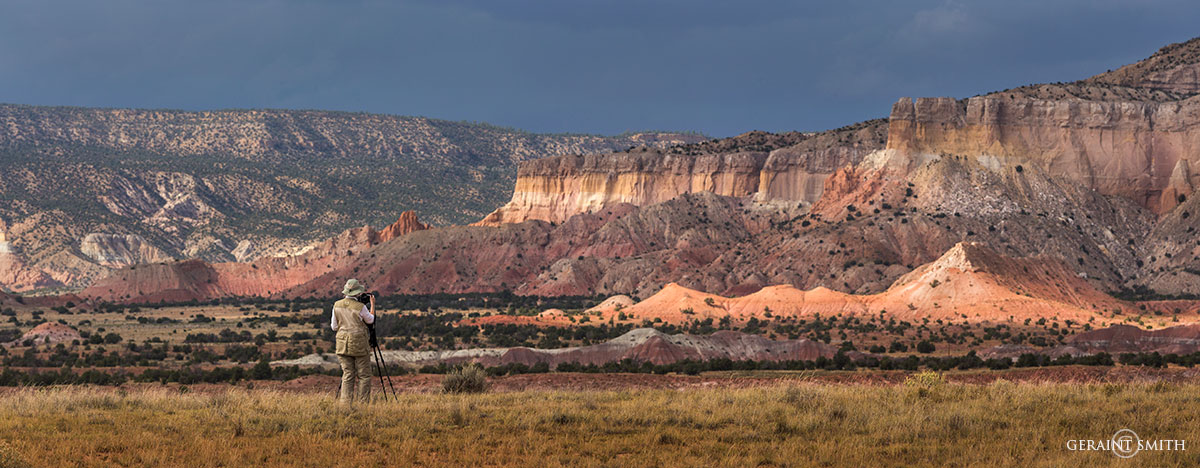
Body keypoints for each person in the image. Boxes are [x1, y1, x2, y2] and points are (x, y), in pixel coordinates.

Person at [330, 278, 375, 404]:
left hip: (342, 344)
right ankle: (362, 404)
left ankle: (345, 405)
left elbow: (334, 327)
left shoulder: (336, 305)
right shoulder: (360, 307)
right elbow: (370, 320)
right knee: (364, 375)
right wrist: (372, 305)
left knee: (348, 374)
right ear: (358, 293)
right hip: (359, 344)